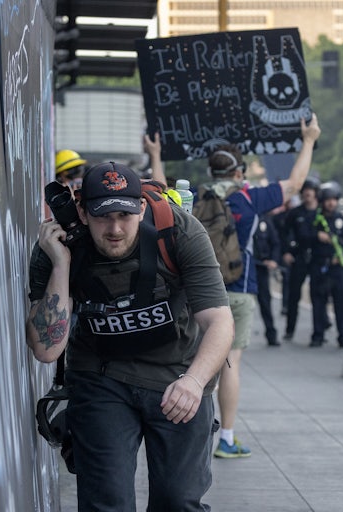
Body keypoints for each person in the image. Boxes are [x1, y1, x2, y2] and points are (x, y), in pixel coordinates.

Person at [26, 162, 235, 511]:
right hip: (101, 375)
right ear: (82, 210)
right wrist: (61, 265)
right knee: (107, 501)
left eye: (125, 215)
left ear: (140, 207)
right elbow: (47, 351)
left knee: (178, 501)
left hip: (178, 374)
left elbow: (219, 321)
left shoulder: (179, 230)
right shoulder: (58, 243)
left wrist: (195, 382)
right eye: (103, 216)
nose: (115, 229)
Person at [203, 114, 321, 458]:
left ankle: (189, 439)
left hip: (201, 293)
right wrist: (309, 139)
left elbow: (161, 190)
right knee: (230, 364)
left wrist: (154, 154)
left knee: (195, 364)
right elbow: (295, 183)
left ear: (212, 172)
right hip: (240, 290)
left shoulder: (196, 196)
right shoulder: (251, 199)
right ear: (239, 172)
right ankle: (226, 438)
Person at [309, 181, 343, 347]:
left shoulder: (342, 219)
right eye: (328, 199)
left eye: (334, 199)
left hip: (338, 268)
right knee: (318, 302)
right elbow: (303, 238)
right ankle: (318, 335)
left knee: (341, 303)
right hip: (319, 266)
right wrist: (316, 236)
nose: (331, 203)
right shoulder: (314, 219)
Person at [282, 177, 322, 340]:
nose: (307, 193)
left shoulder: (322, 213)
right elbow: (284, 234)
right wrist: (286, 252)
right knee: (294, 295)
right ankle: (290, 329)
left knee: (318, 295)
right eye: (305, 190)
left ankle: (319, 331)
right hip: (299, 256)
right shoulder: (295, 213)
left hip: (317, 258)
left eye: (310, 190)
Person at [252, 208, 282, 346]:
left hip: (261, 268)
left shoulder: (264, 220)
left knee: (265, 302)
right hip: (244, 268)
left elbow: (275, 242)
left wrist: (274, 260)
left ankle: (271, 334)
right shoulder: (243, 219)